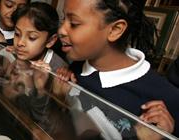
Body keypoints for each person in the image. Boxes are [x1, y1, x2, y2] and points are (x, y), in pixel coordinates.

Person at [52, 0, 179, 138]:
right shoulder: (76, 67)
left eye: (74, 24)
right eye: (64, 19)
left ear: (115, 30)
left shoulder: (167, 98)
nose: (61, 30)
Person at [0, 2, 75, 139]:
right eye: (17, 34)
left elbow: (45, 125)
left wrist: (40, 90)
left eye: (32, 37)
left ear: (50, 41)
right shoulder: (16, 53)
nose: (20, 42)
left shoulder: (58, 70)